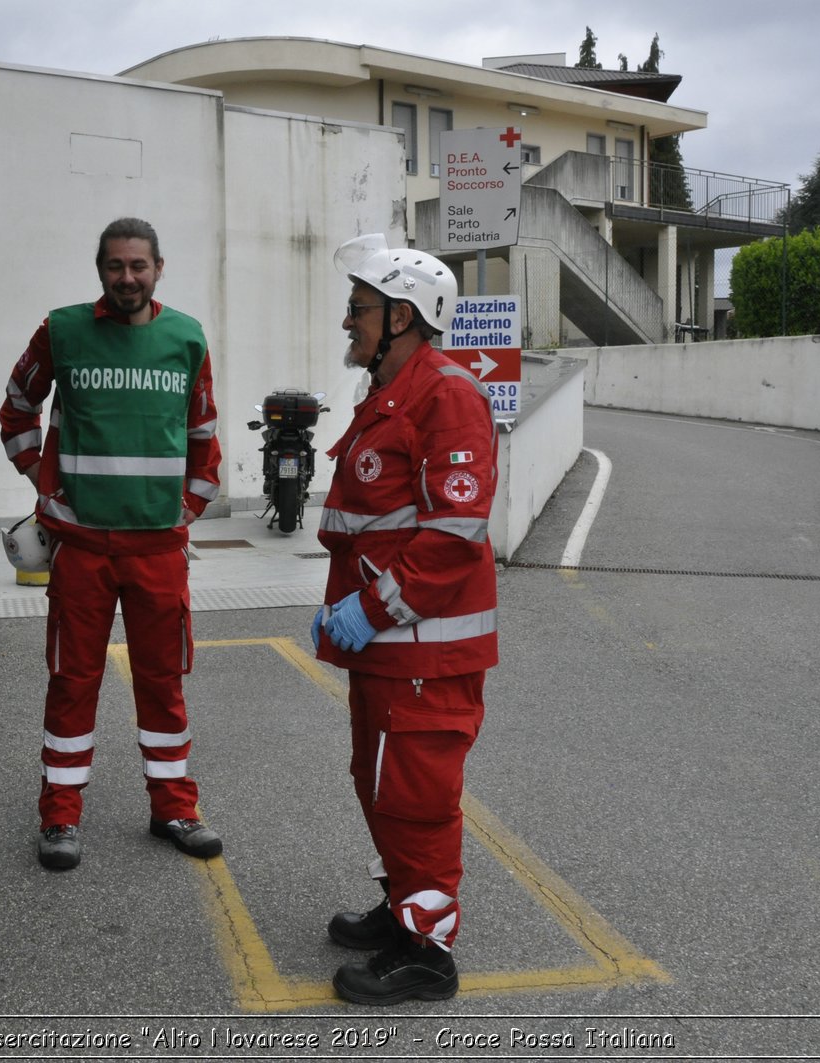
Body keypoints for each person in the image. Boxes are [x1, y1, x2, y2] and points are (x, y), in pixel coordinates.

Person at [0, 217, 224, 872]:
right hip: (84, 547)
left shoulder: (186, 337)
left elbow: (204, 432)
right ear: (100, 268)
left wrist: (189, 505)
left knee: (163, 681)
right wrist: (41, 482)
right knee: (73, 679)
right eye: (115, 265)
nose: (127, 277)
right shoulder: (63, 329)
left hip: (157, 548)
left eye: (139, 265)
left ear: (159, 267)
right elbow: (18, 404)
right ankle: (60, 816)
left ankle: (174, 807)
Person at [310, 234, 498, 1004]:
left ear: (403, 315)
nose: (348, 321)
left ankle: (428, 950)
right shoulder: (393, 391)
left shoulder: (446, 395)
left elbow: (453, 535)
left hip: (422, 650)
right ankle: (402, 907)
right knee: (381, 783)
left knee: (416, 794)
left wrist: (368, 607)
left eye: (358, 308)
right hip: (388, 649)